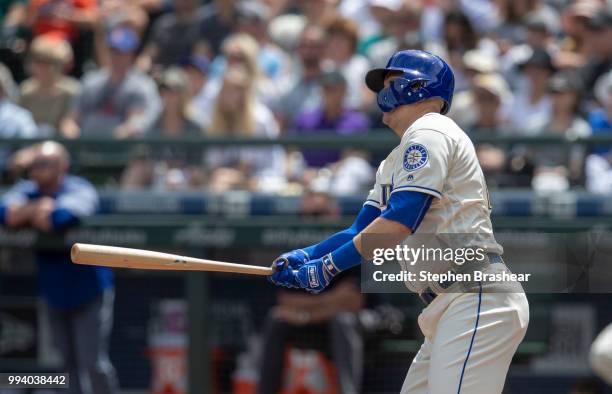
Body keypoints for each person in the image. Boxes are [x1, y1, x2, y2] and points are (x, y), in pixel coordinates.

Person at [269, 50, 529, 394]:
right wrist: (309, 254)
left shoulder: (430, 130)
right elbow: (359, 231)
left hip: (474, 295)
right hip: (449, 304)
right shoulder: (395, 158)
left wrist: (328, 267)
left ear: (419, 87)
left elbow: (399, 222)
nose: (382, 94)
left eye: (392, 83)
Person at [0, 141, 117, 394]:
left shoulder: (79, 188)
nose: (36, 171)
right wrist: (35, 208)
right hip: (54, 290)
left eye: (43, 164)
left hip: (89, 287)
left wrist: (31, 213)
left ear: (62, 166)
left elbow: (62, 218)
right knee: (65, 365)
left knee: (93, 362)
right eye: (34, 165)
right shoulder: (28, 190)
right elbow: (5, 214)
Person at [60, 26, 161, 138]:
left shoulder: (141, 86)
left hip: (122, 150)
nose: (116, 57)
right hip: (86, 147)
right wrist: (72, 132)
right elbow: (72, 118)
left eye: (121, 52)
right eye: (112, 51)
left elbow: (135, 124)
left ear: (132, 55)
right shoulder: (91, 81)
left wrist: (109, 140)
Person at [19, 34, 80, 135]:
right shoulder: (25, 91)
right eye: (38, 62)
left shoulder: (72, 91)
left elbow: (71, 123)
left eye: (49, 62)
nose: (43, 68)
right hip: (30, 143)